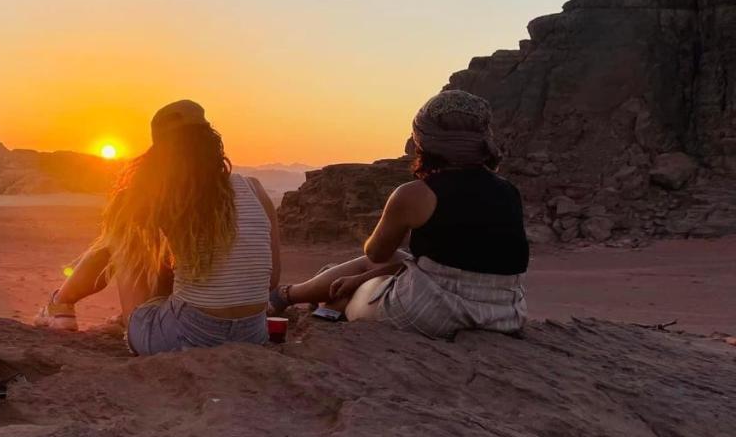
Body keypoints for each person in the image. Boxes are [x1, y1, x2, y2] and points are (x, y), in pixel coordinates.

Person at [268, 89, 528, 339]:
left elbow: (376, 254)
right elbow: (455, 264)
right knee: (381, 267)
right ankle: (308, 293)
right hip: (504, 314)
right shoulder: (508, 191)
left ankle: (293, 297)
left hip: (431, 313)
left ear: (423, 142)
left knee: (354, 277)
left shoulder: (415, 193)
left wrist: (362, 273)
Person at [36, 100, 281, 355]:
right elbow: (272, 279)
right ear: (211, 139)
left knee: (119, 242)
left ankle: (61, 304)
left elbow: (110, 251)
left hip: (184, 338)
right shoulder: (255, 188)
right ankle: (143, 313)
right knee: (180, 258)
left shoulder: (158, 192)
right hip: (253, 334)